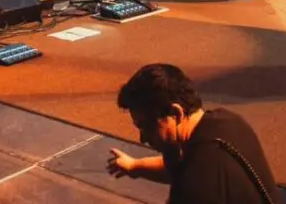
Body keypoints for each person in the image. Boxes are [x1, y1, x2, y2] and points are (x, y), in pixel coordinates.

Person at [107, 63, 276, 204]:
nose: (143, 138)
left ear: (175, 113)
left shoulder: (197, 182)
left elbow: (193, 174)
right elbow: (181, 166)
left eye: (146, 126)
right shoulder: (228, 122)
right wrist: (135, 166)